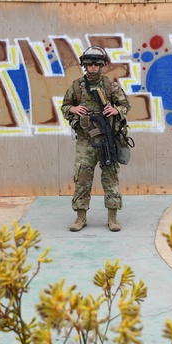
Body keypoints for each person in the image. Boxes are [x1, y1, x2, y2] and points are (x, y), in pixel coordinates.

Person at [61, 46, 130, 232]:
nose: (93, 68)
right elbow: (65, 106)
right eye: (89, 64)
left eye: (96, 64)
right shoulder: (76, 86)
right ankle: (80, 217)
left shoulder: (109, 86)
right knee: (82, 176)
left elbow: (125, 104)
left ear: (101, 66)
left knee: (110, 176)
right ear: (84, 65)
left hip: (106, 138)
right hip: (86, 140)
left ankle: (113, 217)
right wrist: (73, 109)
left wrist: (116, 110)